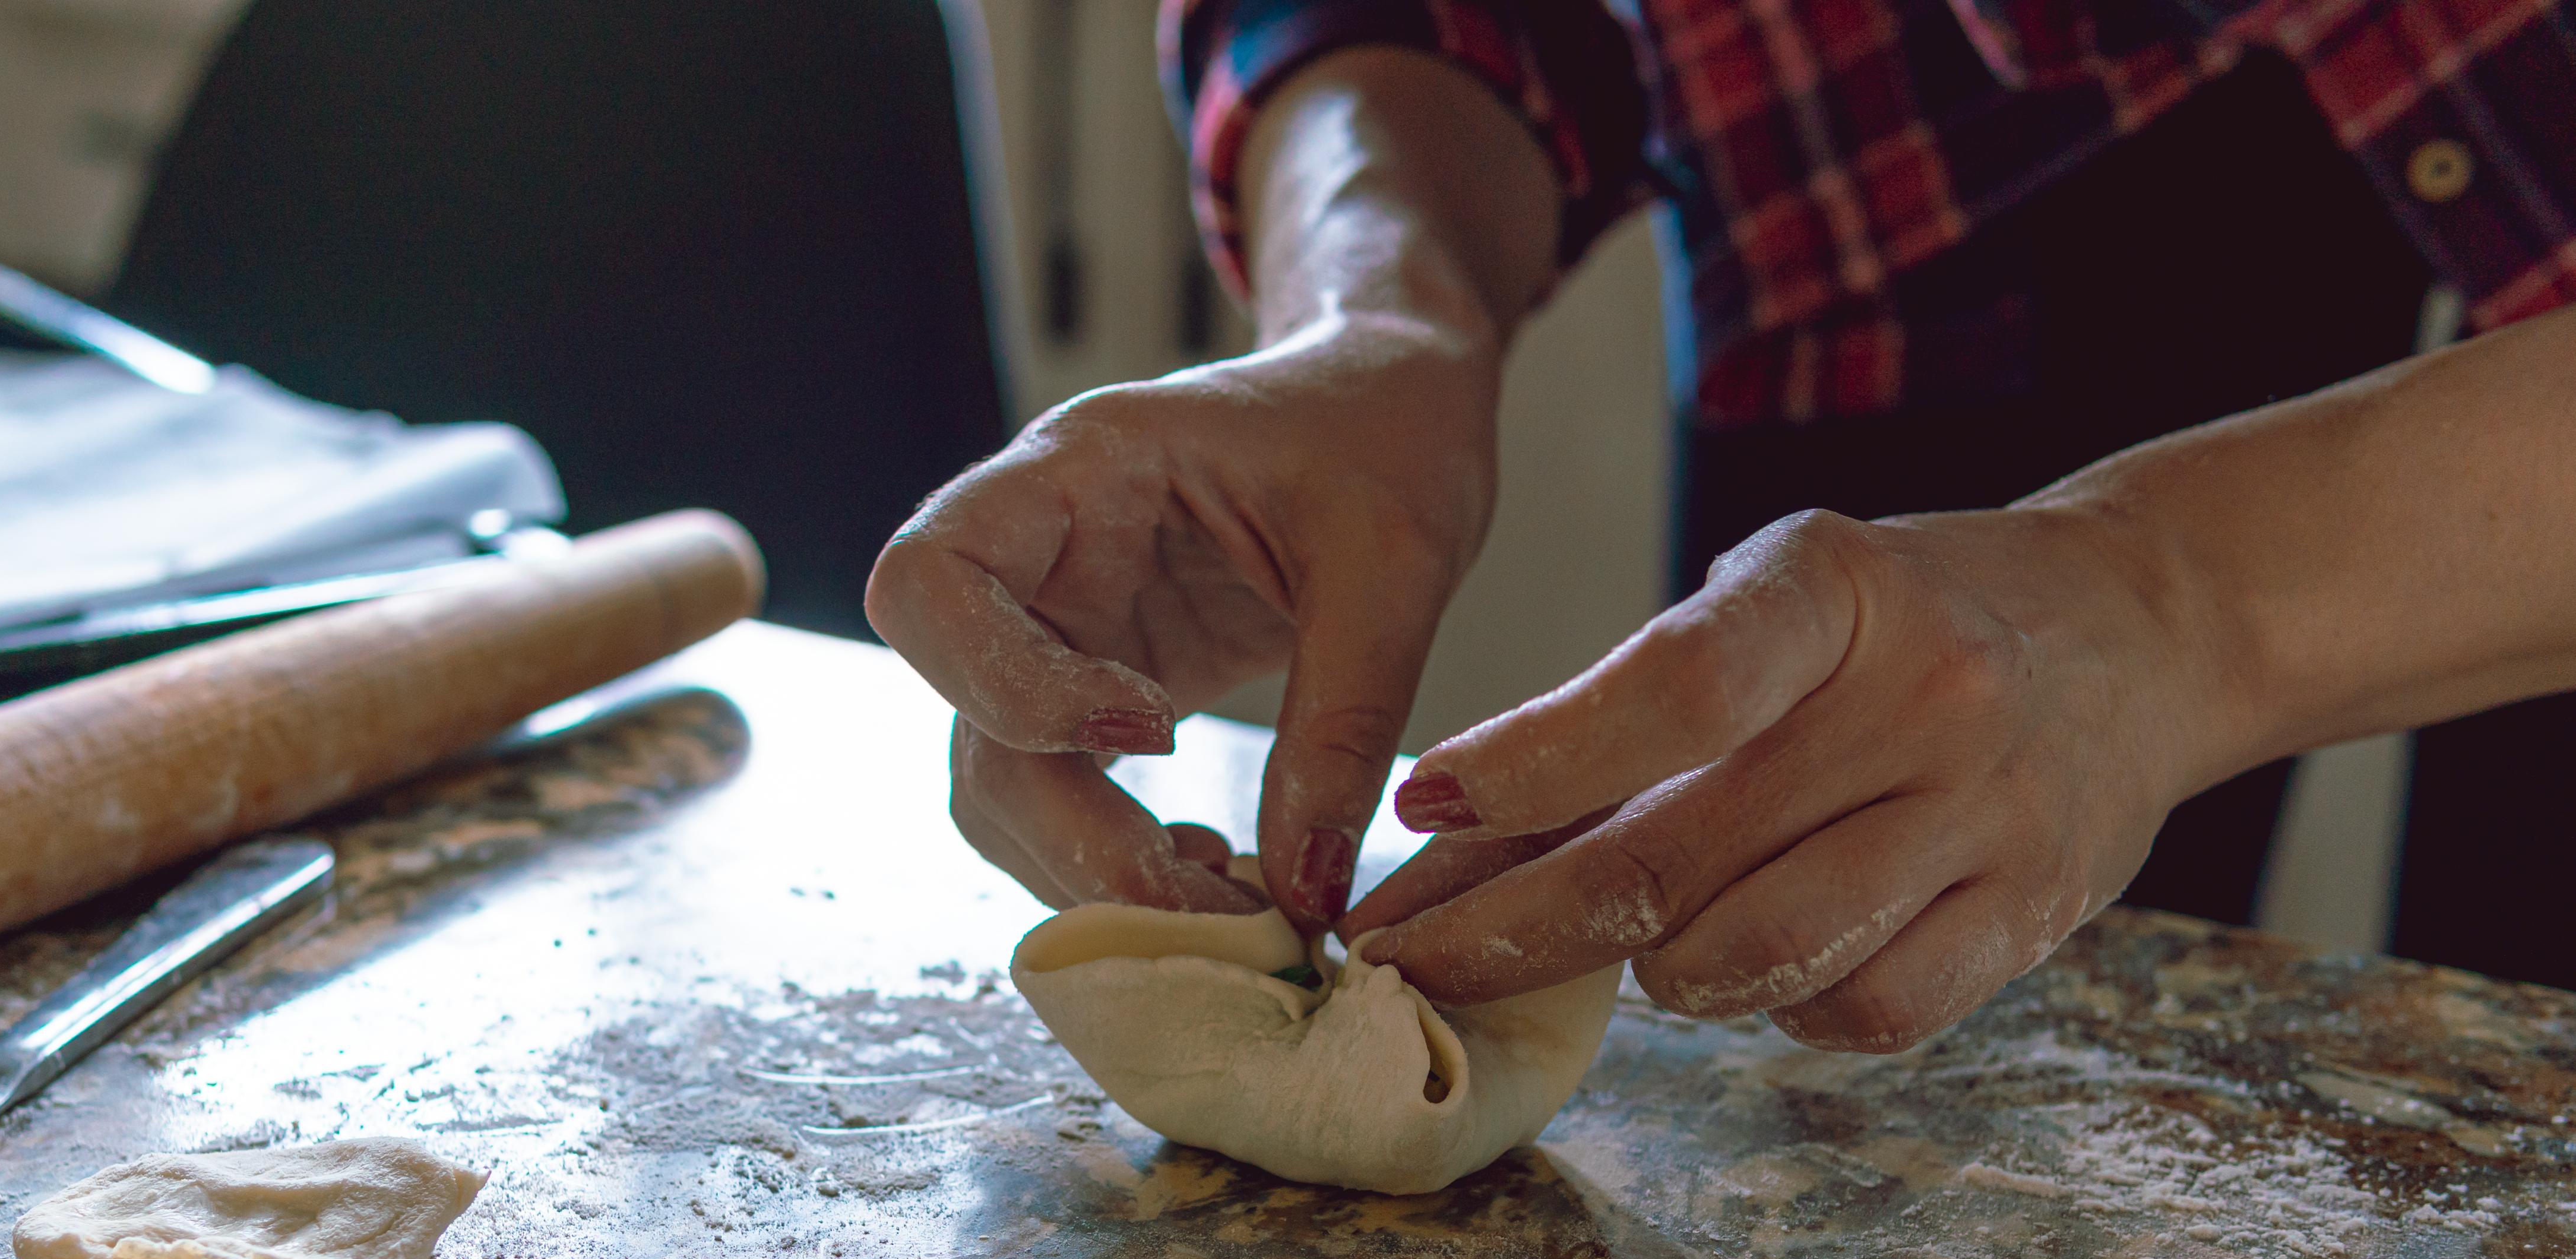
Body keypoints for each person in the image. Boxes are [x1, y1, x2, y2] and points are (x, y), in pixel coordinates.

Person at [865, 0, 2576, 1054]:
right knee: (1854, 1057)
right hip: (1893, 160)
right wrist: (1378, 312)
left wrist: (2169, 600)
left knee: (2506, 1198)